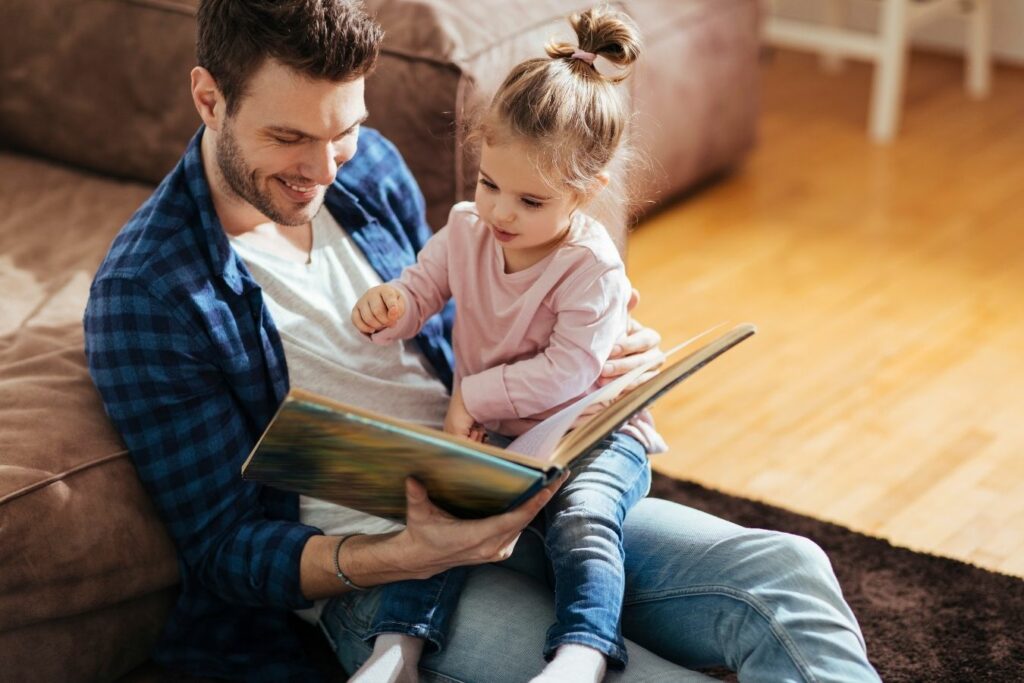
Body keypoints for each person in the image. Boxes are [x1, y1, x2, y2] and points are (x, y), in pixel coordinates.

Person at [83, 1, 882, 682]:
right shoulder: (149, 294)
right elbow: (226, 551)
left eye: (344, 131)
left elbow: (474, 306)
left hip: (506, 473)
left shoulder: (366, 169)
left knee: (789, 572)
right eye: (291, 137)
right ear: (208, 97)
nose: (325, 169)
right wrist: (406, 554)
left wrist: (597, 343)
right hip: (377, 566)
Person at [348, 9, 659, 682]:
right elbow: (423, 287)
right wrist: (393, 305)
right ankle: (395, 647)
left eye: (529, 199)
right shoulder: (468, 229)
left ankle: (580, 653)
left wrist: (475, 393)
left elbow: (569, 372)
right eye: (489, 184)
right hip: (499, 437)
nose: (500, 213)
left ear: (586, 191)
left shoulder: (593, 269)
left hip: (593, 433)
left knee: (585, 521)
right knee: (436, 515)